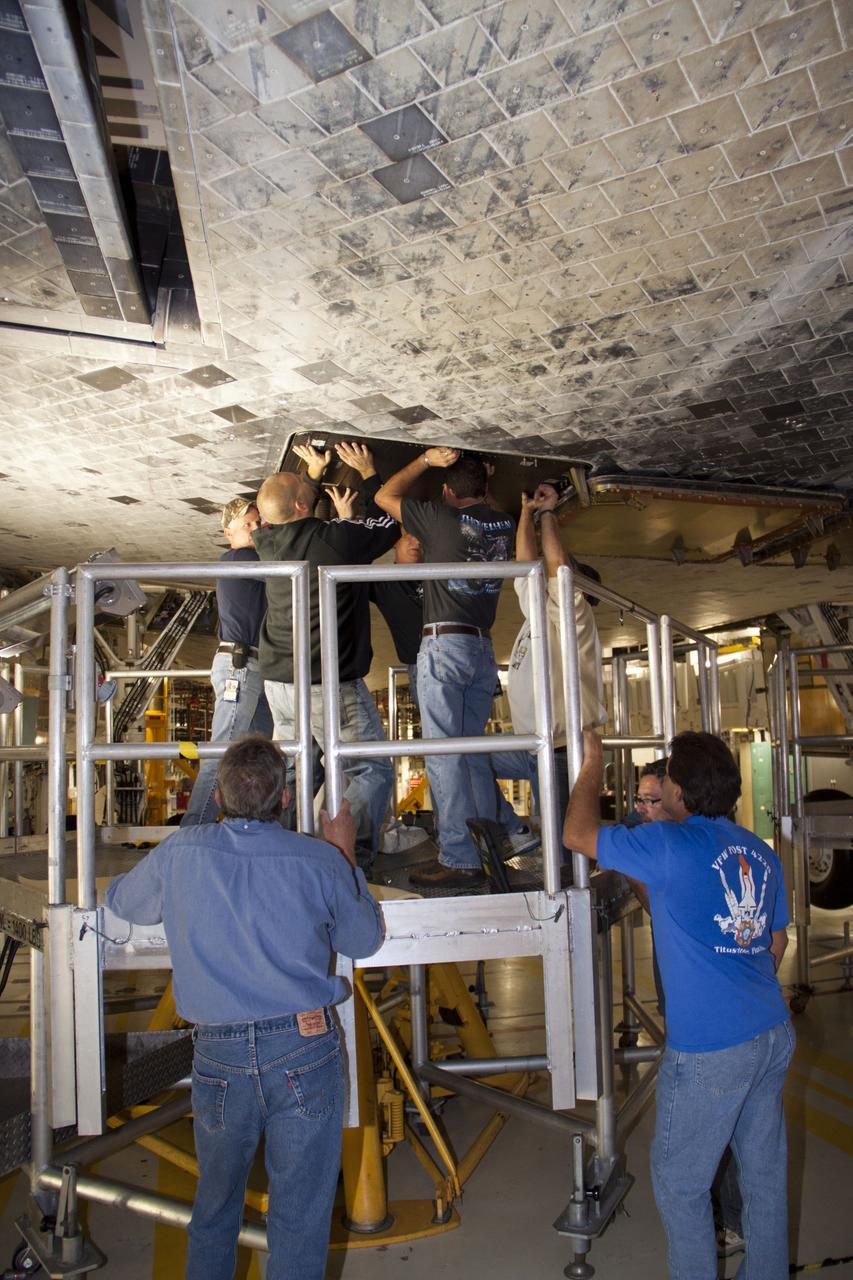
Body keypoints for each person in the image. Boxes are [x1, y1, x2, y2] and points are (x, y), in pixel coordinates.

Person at [105, 735, 384, 1280]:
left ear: (219, 795)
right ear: (283, 800)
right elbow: (364, 939)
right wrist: (344, 850)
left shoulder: (181, 853)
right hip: (304, 1049)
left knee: (213, 1211)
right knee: (300, 1220)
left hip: (218, 1055)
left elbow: (123, 902)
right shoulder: (319, 858)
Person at [564, 729, 792, 1280]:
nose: (659, 787)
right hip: (771, 1033)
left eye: (664, 779)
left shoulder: (668, 845)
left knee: (680, 1184)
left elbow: (577, 832)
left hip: (711, 1050)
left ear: (682, 792)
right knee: (764, 1179)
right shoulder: (757, 849)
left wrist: (593, 761)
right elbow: (776, 941)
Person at [254, 442, 399, 869]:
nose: (309, 478)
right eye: (305, 482)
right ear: (303, 503)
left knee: (295, 771)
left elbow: (287, 509)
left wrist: (313, 476)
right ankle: (337, 854)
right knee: (369, 769)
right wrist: (370, 473)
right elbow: (390, 522)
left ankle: (286, 850)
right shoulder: (333, 541)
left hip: (279, 681)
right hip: (325, 683)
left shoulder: (266, 539)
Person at [375, 448, 515, 888]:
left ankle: (458, 856)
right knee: (471, 752)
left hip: (445, 644)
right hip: (482, 650)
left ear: (448, 491)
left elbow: (385, 495)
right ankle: (488, 847)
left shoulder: (439, 518)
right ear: (485, 487)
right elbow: (483, 501)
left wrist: (424, 461)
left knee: (443, 754)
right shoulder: (503, 524)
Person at [505, 483, 607, 857]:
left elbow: (559, 568)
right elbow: (524, 567)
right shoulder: (537, 610)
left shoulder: (573, 617)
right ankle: (514, 831)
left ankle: (567, 893)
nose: (547, 576)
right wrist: (525, 513)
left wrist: (548, 513)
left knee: (564, 847)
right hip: (536, 748)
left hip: (565, 751)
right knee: (468, 757)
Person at [182, 498, 272, 826]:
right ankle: (193, 833)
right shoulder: (239, 558)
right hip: (241, 665)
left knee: (261, 755)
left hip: (254, 666)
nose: (255, 529)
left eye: (259, 522)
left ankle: (254, 827)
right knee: (222, 754)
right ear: (228, 531)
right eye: (247, 524)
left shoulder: (255, 560)